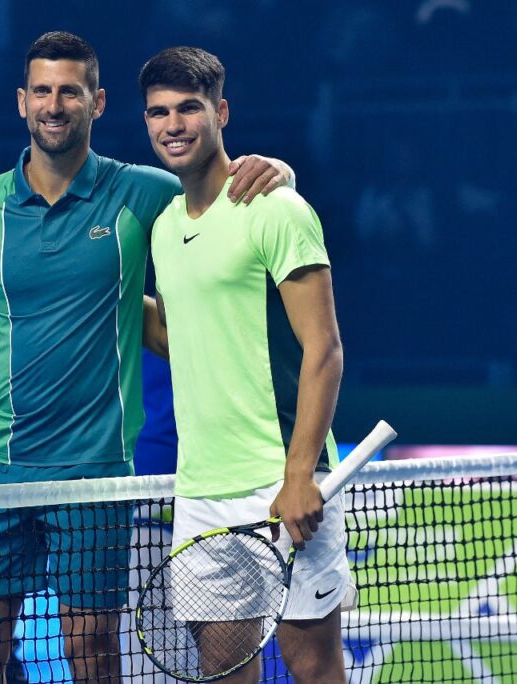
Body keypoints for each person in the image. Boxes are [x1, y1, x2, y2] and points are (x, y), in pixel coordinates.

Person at [0, 31, 294, 684]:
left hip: (98, 474)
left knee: (92, 657)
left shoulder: (141, 192)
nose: (55, 105)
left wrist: (280, 173)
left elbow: (228, 197)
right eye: (43, 92)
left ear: (98, 102)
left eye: (71, 92)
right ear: (22, 102)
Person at [140, 47, 349, 683]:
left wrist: (299, 474)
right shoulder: (164, 226)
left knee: (311, 664)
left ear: (221, 112)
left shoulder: (276, 209)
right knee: (222, 670)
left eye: (189, 108)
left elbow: (325, 348)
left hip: (280, 478)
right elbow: (191, 342)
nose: (172, 124)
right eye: (157, 112)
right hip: (202, 491)